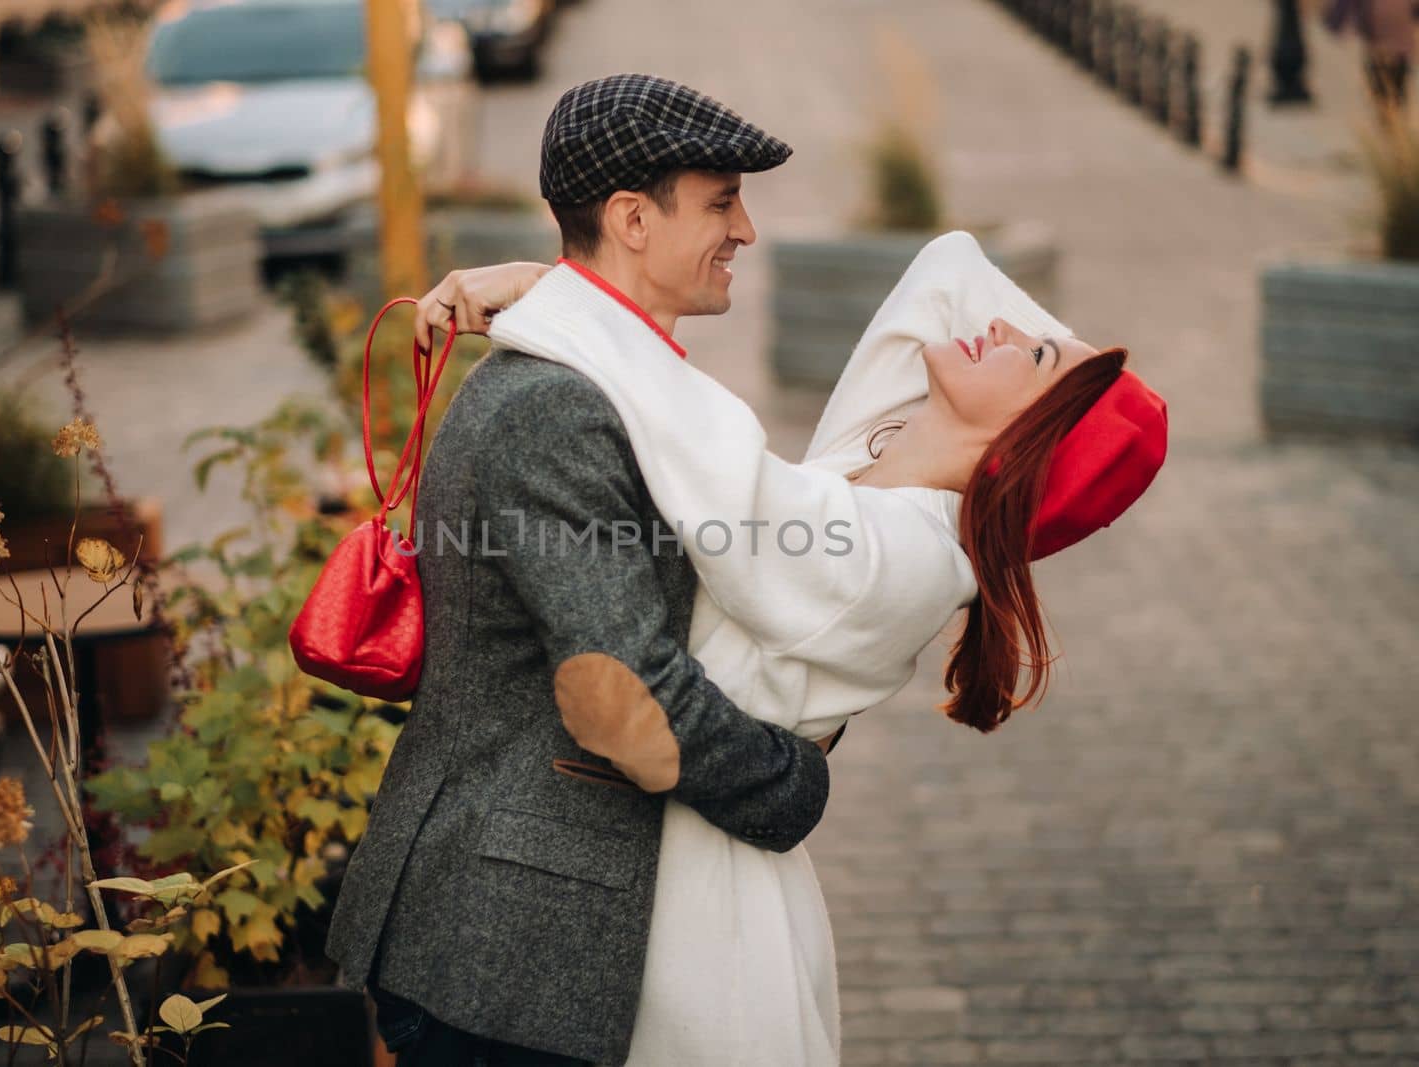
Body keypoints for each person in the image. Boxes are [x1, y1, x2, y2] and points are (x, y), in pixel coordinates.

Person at [414, 232, 1166, 1064]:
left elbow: (704, 446)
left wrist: (555, 292)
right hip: (656, 863)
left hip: (699, 912)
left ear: (1019, 444)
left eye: (1030, 358)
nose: (1004, 328)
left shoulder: (897, 554)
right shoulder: (860, 480)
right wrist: (1070, 377)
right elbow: (948, 264)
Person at [323, 75, 839, 1067]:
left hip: (512, 937)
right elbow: (627, 679)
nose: (748, 229)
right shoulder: (555, 412)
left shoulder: (595, 379)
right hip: (500, 949)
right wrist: (791, 784)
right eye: (722, 200)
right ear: (632, 219)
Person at [1324, 0, 1416, 112]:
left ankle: (1390, 115)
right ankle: (1390, 115)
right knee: (1390, 88)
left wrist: (1335, 22)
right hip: (1387, 46)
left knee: (1387, 88)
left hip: (1388, 47)